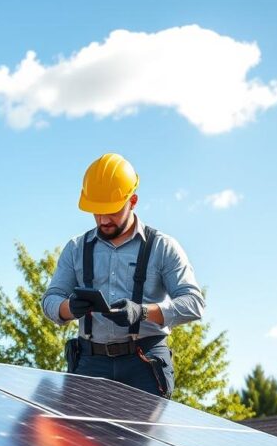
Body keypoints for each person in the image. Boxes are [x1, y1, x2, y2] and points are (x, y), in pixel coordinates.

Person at [41, 153, 205, 397]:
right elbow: (49, 301)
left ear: (133, 201)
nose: (104, 219)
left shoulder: (162, 247)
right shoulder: (76, 248)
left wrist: (143, 312)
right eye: (97, 211)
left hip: (144, 363)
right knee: (83, 436)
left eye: (112, 211)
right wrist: (69, 308)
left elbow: (194, 304)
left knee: (142, 436)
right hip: (89, 362)